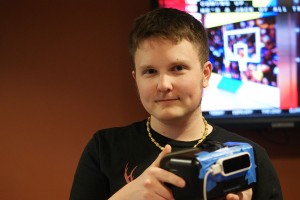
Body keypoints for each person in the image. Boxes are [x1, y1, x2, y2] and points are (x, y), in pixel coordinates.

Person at [70, 8, 283, 200]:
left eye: (178, 68)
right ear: (136, 79)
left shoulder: (249, 157)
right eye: (150, 71)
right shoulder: (104, 149)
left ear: (205, 74)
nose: (163, 85)